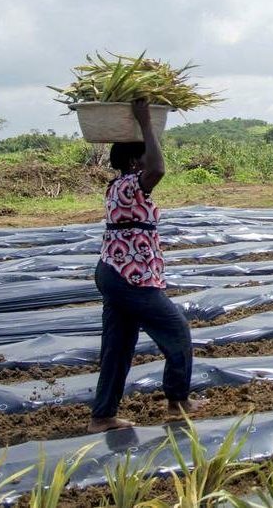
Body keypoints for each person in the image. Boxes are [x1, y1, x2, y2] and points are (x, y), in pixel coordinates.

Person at [89, 100, 204, 433]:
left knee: (118, 346)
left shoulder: (121, 188)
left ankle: (103, 415)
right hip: (129, 278)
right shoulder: (129, 184)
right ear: (131, 161)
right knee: (177, 332)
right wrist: (145, 122)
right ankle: (178, 400)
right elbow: (158, 169)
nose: (148, 160)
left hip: (117, 273)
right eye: (142, 155)